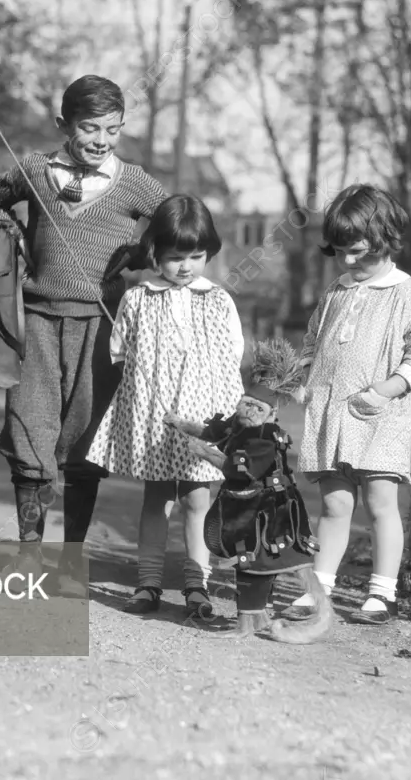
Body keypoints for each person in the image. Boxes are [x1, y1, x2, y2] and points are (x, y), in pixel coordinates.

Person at [0, 76, 166, 593]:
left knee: (83, 438)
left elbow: (177, 221)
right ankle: (28, 553)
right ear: (64, 125)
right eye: (89, 127)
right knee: (29, 428)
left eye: (112, 129)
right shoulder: (36, 169)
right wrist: (9, 236)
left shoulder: (133, 182)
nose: (101, 139)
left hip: (99, 330)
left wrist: (144, 253)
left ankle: (71, 561)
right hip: (35, 321)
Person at [281, 184, 411, 624]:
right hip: (330, 414)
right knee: (334, 504)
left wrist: (386, 390)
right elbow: (315, 337)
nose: (348, 261)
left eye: (357, 252)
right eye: (340, 252)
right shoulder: (337, 289)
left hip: (378, 417)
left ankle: (382, 593)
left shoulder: (405, 293)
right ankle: (320, 588)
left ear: (386, 238)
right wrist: (301, 377)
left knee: (379, 503)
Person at [86, 195, 244, 618]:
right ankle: (148, 583)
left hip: (202, 422)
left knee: (197, 501)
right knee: (156, 499)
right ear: (155, 253)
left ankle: (198, 585)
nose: (186, 266)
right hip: (156, 420)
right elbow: (119, 352)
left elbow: (232, 357)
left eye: (196, 256)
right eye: (175, 257)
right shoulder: (138, 298)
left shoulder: (218, 300)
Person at [169, 338, 334, 642]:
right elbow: (213, 432)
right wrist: (180, 424)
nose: (248, 411)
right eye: (245, 404)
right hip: (252, 509)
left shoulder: (266, 436)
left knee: (255, 561)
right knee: (255, 564)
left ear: (271, 413)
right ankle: (255, 620)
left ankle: (249, 625)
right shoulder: (240, 422)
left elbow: (237, 469)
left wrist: (205, 453)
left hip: (270, 516)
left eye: (256, 407)